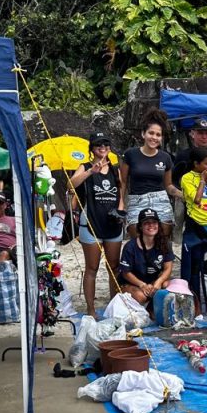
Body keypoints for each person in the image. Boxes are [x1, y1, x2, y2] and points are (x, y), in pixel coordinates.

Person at [70, 132, 123, 317]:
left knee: (114, 267)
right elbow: (71, 185)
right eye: (98, 144)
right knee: (92, 267)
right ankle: (91, 309)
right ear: (91, 148)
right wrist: (90, 172)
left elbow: (120, 194)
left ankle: (114, 307)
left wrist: (121, 211)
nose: (103, 147)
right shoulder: (84, 166)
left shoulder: (115, 169)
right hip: (91, 223)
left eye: (106, 144)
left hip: (113, 224)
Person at [119, 107, 180, 239]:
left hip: (161, 200)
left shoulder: (165, 157)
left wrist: (183, 195)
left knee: (161, 241)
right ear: (143, 134)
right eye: (151, 133)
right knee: (138, 240)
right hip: (136, 201)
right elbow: (123, 181)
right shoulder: (130, 154)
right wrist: (121, 203)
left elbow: (168, 186)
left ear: (161, 137)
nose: (154, 137)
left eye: (158, 135)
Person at [180, 147, 207, 316]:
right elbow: (197, 199)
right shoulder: (187, 178)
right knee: (193, 268)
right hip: (195, 227)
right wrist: (203, 181)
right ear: (196, 164)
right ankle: (196, 305)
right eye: (206, 163)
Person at [117, 208, 174, 308]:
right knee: (141, 296)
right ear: (140, 227)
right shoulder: (130, 247)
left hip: (153, 280)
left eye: (154, 222)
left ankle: (152, 307)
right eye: (147, 223)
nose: (151, 225)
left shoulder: (165, 243)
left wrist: (158, 282)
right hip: (133, 283)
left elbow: (168, 268)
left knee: (167, 286)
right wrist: (142, 285)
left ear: (158, 225)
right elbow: (126, 273)